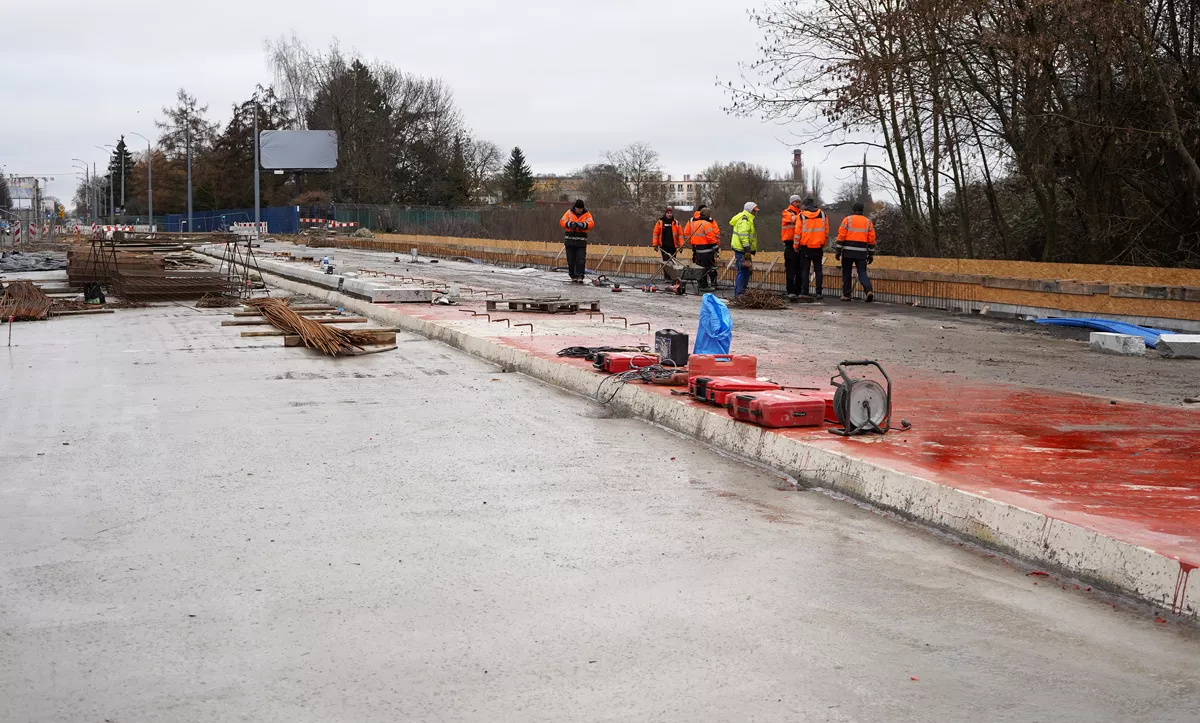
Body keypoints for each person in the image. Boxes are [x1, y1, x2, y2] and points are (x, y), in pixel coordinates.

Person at [836, 202, 877, 302]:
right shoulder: (868, 222)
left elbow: (841, 236)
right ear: (862, 210)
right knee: (862, 272)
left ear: (853, 210)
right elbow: (871, 239)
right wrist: (871, 254)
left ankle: (846, 295)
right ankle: (868, 290)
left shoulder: (847, 220)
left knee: (847, 272)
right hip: (862, 252)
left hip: (848, 251)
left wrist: (838, 250)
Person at [796, 197, 829, 299]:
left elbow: (798, 233)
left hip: (806, 247)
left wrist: (796, 246)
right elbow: (826, 232)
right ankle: (819, 292)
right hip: (818, 247)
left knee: (805, 270)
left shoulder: (801, 216)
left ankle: (805, 291)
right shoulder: (823, 215)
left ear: (805, 206)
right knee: (818, 270)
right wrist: (823, 244)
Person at [685, 204, 720, 290]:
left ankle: (701, 284)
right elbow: (711, 237)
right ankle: (707, 284)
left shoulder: (694, 222)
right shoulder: (707, 224)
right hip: (707, 250)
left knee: (699, 267)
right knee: (709, 267)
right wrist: (716, 248)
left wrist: (693, 243)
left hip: (697, 249)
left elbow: (687, 234)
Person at [559, 199, 595, 283]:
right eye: (579, 209)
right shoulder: (569, 213)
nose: (580, 210)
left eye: (581, 209)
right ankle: (573, 276)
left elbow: (591, 223)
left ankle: (580, 276)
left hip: (581, 242)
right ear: (575, 207)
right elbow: (562, 222)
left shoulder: (587, 214)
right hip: (570, 241)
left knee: (581, 259)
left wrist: (583, 225)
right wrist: (570, 224)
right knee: (571, 260)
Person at [729, 201, 759, 297]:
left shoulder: (746, 219)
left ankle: (740, 292)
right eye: (754, 210)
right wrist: (747, 248)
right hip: (743, 250)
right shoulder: (745, 220)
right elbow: (743, 235)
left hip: (742, 250)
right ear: (750, 210)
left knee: (744, 271)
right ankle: (740, 293)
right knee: (744, 271)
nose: (756, 212)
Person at [781, 195, 803, 299]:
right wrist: (804, 215)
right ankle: (790, 290)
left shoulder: (801, 213)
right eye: (796, 202)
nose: (797, 203)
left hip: (799, 243)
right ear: (791, 202)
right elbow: (792, 219)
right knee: (790, 269)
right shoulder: (787, 212)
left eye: (799, 202)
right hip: (790, 243)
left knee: (799, 269)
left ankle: (797, 290)